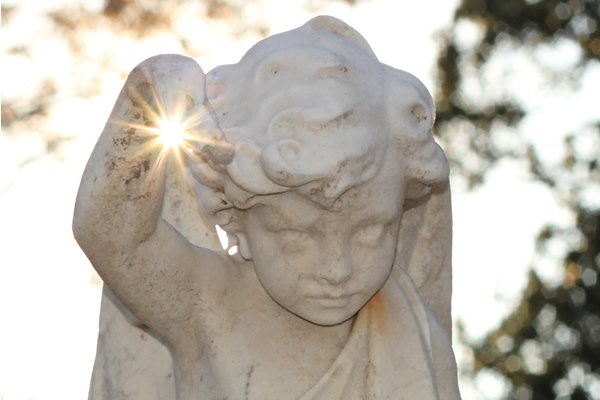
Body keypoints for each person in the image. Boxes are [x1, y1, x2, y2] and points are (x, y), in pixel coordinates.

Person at [74, 16, 461, 399]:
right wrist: (153, 89)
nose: (336, 270)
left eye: (371, 231)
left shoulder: (416, 335)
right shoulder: (205, 303)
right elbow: (110, 233)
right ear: (234, 217)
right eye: (295, 236)